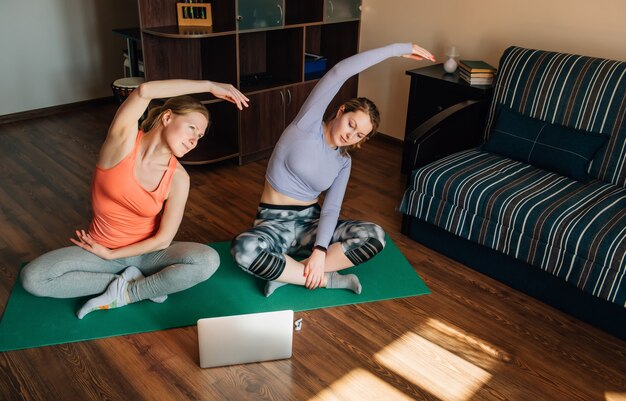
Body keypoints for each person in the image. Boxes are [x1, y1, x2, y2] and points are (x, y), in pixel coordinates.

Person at [21, 79, 249, 319]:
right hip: (100, 249)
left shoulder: (179, 178)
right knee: (34, 278)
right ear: (168, 117)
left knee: (208, 260)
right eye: (192, 128)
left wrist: (113, 255)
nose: (195, 140)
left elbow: (163, 241)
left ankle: (131, 292)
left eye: (200, 136)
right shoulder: (121, 144)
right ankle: (139, 283)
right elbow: (144, 91)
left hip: (148, 254)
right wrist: (210, 86)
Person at [231, 42, 435, 296]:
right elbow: (339, 72)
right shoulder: (307, 125)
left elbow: (331, 209)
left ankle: (292, 273)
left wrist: (320, 250)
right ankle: (327, 279)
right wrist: (396, 49)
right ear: (341, 111)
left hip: (311, 226)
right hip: (274, 225)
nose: (351, 136)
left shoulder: (343, 161)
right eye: (351, 124)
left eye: (359, 134)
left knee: (375, 236)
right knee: (243, 249)